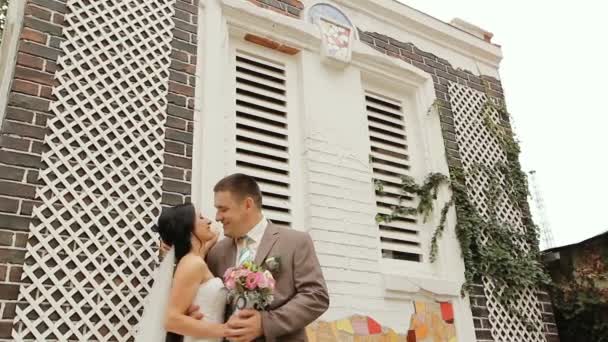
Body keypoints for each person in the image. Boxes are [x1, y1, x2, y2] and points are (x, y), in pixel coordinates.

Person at [135, 203, 227, 342]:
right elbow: (171, 320)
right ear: (188, 229)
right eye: (201, 218)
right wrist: (226, 330)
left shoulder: (194, 259)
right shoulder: (193, 263)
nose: (209, 220)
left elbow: (206, 243)